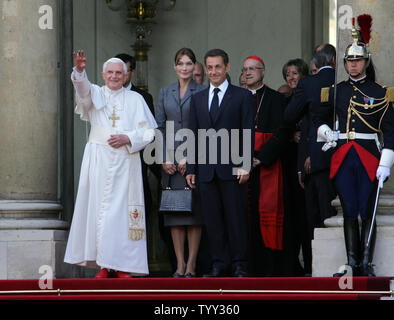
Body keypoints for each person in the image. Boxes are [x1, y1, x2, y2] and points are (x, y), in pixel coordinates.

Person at [64, 51, 157, 278]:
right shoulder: (96, 93)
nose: (114, 76)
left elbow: (149, 132)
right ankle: (104, 266)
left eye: (119, 73)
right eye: (110, 73)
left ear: (125, 76)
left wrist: (129, 138)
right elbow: (82, 90)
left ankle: (124, 266)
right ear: (104, 75)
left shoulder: (137, 99)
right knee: (99, 211)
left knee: (121, 215)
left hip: (126, 162)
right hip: (99, 161)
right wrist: (79, 71)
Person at [313, 16, 394, 277]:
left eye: (357, 60)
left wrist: (385, 163)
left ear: (366, 62)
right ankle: (351, 261)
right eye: (349, 61)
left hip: (370, 155)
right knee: (349, 208)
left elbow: (390, 132)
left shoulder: (381, 92)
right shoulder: (336, 91)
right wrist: (326, 132)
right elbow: (319, 118)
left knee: (367, 210)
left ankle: (366, 263)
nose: (353, 65)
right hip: (344, 155)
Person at [186, 49, 255, 277]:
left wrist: (245, 164)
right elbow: (193, 135)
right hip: (206, 170)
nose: (213, 71)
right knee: (212, 220)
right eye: (210, 67)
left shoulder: (243, 96)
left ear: (227, 67)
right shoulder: (197, 99)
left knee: (236, 218)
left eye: (217, 67)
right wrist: (192, 168)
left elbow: (247, 131)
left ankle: (240, 264)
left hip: (233, 168)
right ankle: (219, 263)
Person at [283, 46, 338, 275]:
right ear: (335, 61)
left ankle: (319, 268)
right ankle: (340, 263)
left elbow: (289, 116)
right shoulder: (343, 81)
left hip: (317, 156)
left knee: (317, 214)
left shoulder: (309, 84)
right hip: (348, 154)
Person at [242, 55, 295, 276]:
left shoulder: (275, 98)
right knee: (245, 218)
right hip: (241, 168)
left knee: (267, 216)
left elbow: (284, 131)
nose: (248, 72)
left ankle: (270, 269)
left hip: (267, 165)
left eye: (253, 69)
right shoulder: (237, 97)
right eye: (245, 69)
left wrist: (261, 157)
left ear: (263, 72)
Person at [155, 48, 206, 277]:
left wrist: (190, 157)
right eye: (180, 63)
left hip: (194, 161)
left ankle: (192, 264)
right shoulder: (165, 92)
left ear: (194, 66)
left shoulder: (203, 91)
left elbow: (205, 127)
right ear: (174, 66)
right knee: (174, 213)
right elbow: (159, 126)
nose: (184, 67)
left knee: (194, 214)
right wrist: (165, 157)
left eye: (188, 63)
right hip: (171, 162)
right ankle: (179, 264)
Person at [280, 58, 311, 276]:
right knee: (290, 216)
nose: (291, 78)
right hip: (287, 163)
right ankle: (292, 266)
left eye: (295, 73)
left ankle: (309, 265)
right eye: (288, 74)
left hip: (305, 163)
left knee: (306, 217)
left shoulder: (309, 97)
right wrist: (291, 135)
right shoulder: (283, 99)